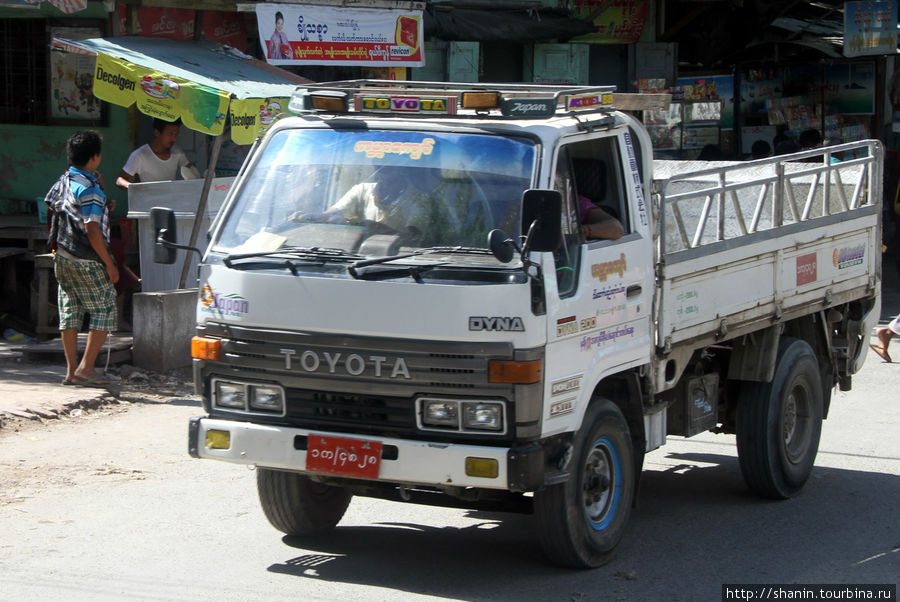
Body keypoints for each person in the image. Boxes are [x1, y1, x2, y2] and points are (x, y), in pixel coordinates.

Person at [46, 130, 118, 386]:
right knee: (105, 305)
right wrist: (109, 263)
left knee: (70, 308)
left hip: (62, 255)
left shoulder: (63, 181)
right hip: (86, 258)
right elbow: (91, 228)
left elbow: (56, 210)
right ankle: (87, 368)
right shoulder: (90, 190)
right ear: (95, 157)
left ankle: (71, 371)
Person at [291, 166, 427, 236]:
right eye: (379, 167)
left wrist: (367, 227)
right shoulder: (362, 190)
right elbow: (330, 214)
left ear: (401, 172)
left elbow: (410, 237)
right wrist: (305, 217)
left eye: (389, 169)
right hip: (355, 257)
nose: (382, 174)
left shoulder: (419, 199)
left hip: (400, 262)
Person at [115, 118, 194, 190]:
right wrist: (137, 189)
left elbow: (191, 170)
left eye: (176, 134)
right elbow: (120, 180)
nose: (174, 138)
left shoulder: (177, 152)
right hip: (149, 202)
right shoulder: (140, 155)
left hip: (171, 198)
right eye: (170, 134)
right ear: (157, 133)